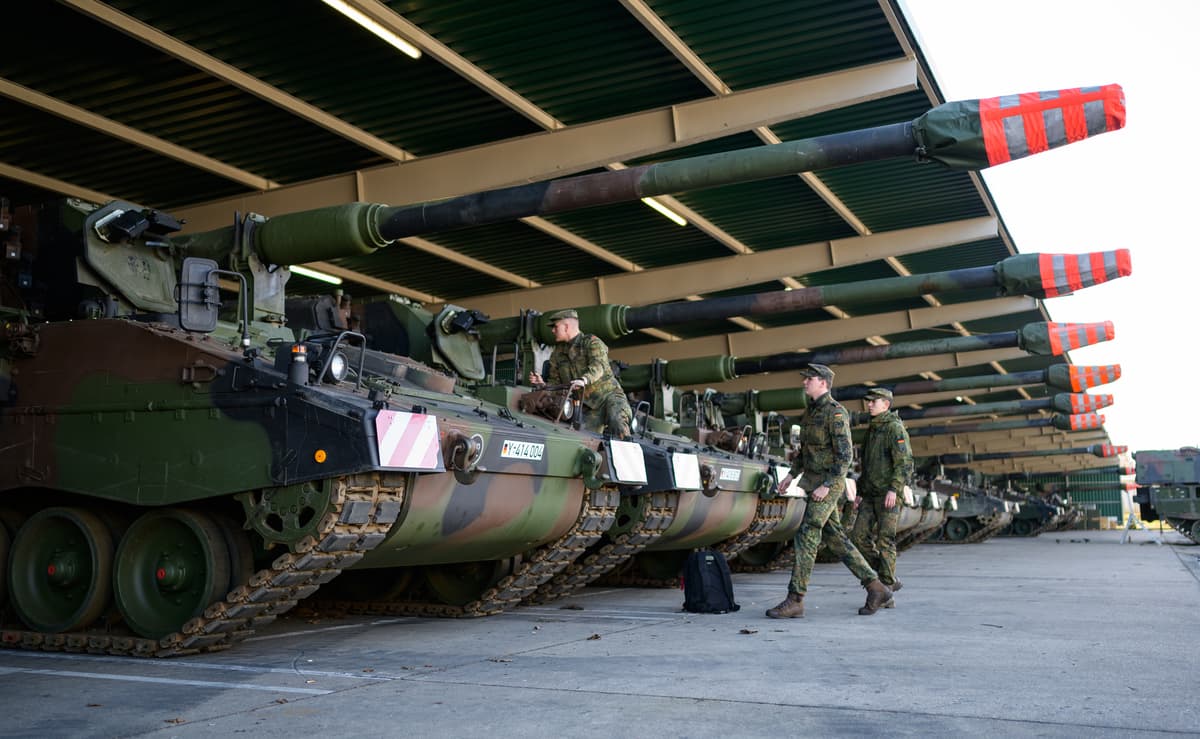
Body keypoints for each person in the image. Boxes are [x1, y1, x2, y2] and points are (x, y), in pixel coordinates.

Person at [767, 363, 892, 618]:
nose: (804, 382)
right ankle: (876, 587)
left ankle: (796, 599)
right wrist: (791, 475)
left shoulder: (836, 412)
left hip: (828, 484)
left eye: (809, 379)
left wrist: (827, 485)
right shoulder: (810, 412)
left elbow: (845, 456)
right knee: (836, 539)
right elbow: (805, 452)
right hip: (813, 482)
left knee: (807, 534)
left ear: (823, 383)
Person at [851, 387, 913, 605]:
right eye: (868, 401)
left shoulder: (894, 428)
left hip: (888, 494)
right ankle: (888, 578)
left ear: (886, 404)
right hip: (870, 494)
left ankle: (886, 590)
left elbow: (904, 463)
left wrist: (894, 489)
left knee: (885, 540)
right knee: (858, 537)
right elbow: (867, 466)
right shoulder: (873, 429)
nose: (869, 405)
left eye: (873, 401)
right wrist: (860, 492)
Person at [529, 309, 632, 439]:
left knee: (617, 421)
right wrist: (543, 384)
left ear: (566, 327)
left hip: (609, 397)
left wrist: (584, 380)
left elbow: (598, 366)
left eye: (555, 327)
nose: (553, 331)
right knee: (583, 439)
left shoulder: (592, 343)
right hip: (586, 407)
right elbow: (556, 383)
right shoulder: (557, 354)